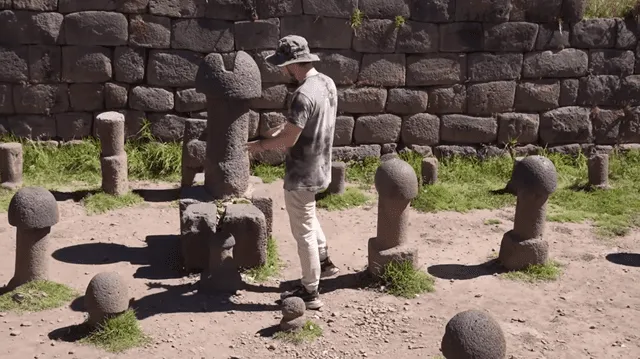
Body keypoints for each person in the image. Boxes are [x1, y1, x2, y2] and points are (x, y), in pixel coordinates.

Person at [246, 35, 339, 310]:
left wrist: (258, 146)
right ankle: (324, 262)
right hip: (321, 165)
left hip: (302, 172)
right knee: (309, 216)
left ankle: (310, 291)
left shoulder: (301, 94)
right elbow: (305, 124)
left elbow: (289, 140)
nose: (281, 70)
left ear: (292, 64)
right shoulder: (326, 83)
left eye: (283, 65)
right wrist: (283, 128)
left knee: (304, 232)